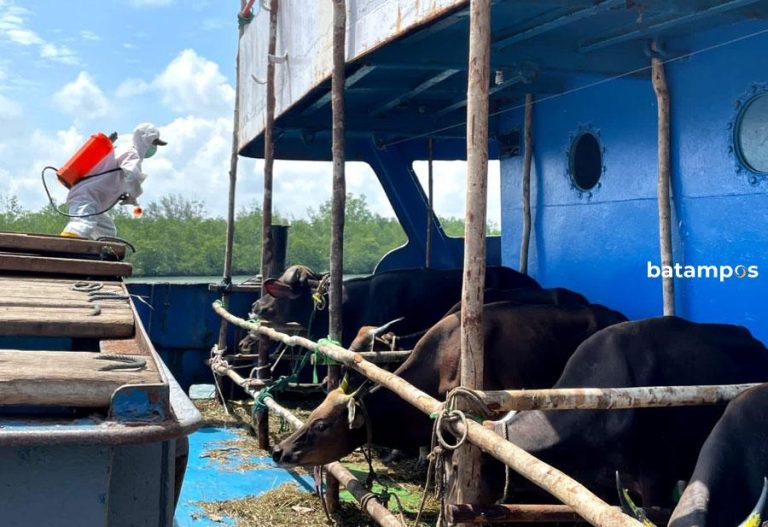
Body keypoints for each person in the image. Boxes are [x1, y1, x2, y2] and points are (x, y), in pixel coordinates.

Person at [60, 123, 167, 239]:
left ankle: (107, 253)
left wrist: (126, 194)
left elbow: (120, 175)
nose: (154, 148)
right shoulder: (132, 153)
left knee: (107, 232)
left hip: (93, 198)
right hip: (87, 196)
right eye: (154, 143)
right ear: (145, 140)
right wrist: (133, 196)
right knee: (81, 224)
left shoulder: (122, 149)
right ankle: (61, 248)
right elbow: (132, 174)